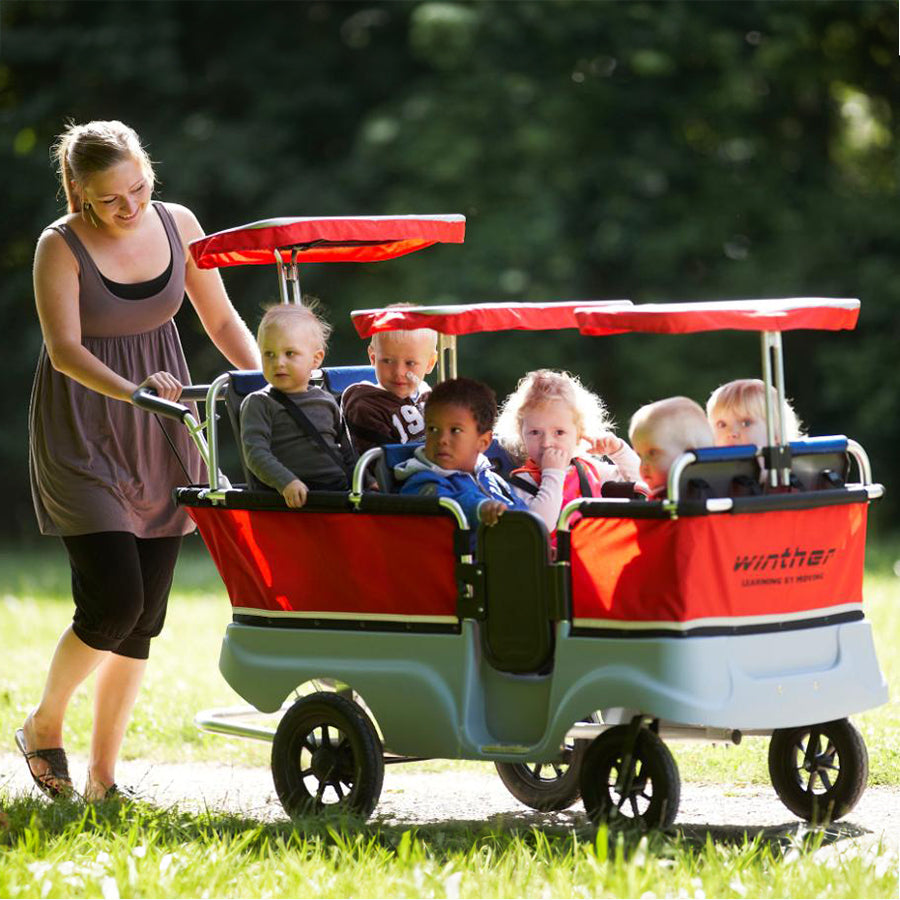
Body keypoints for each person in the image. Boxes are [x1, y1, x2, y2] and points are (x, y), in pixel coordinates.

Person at [20, 120, 259, 802]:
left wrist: (273, 383)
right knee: (113, 603)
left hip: (163, 426)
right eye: (111, 199)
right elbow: (65, 348)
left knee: (145, 616)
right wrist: (134, 395)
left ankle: (102, 780)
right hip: (86, 429)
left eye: (140, 186)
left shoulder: (180, 224)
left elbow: (219, 321)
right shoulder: (58, 247)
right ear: (79, 193)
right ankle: (44, 723)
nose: (131, 206)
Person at [495, 370, 645, 533]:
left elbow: (642, 483)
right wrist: (552, 474)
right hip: (557, 557)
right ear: (521, 435)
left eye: (559, 432)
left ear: (579, 434)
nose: (546, 443)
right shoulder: (523, 481)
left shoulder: (590, 470)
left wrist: (619, 451)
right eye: (535, 432)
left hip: (598, 553)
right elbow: (540, 526)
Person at [240, 303, 356, 507]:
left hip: (339, 492)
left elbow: (347, 450)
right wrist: (286, 482)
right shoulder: (259, 403)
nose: (278, 363)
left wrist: (365, 480)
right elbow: (255, 454)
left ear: (316, 359)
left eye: (290, 353)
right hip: (296, 496)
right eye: (269, 354)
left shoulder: (327, 400)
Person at [394, 378, 529, 528]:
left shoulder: (489, 476)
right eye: (433, 429)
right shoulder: (423, 482)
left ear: (483, 442)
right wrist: (480, 508)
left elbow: (518, 509)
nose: (442, 440)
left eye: (455, 430)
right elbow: (449, 504)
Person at [342, 323, 438, 453]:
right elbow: (383, 467)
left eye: (410, 363)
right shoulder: (365, 406)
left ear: (430, 363)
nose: (399, 372)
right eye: (387, 361)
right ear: (373, 358)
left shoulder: (429, 396)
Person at [628, 397, 714, 498]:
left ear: (689, 458)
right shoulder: (721, 492)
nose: (643, 467)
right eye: (639, 456)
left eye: (653, 453)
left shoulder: (667, 501)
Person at [706, 378, 803, 447]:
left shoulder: (791, 473)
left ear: (776, 436)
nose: (732, 433)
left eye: (746, 423)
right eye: (722, 425)